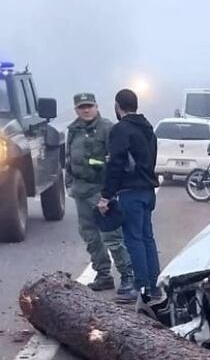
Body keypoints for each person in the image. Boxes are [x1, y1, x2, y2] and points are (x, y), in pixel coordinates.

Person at [65, 93, 135, 293]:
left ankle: (127, 274)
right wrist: (68, 182)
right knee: (89, 235)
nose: (86, 110)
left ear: (96, 106)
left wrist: (110, 191)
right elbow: (68, 158)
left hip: (101, 190)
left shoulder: (107, 128)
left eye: (89, 106)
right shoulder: (73, 130)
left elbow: (118, 160)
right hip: (80, 190)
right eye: (81, 107)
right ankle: (103, 274)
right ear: (76, 110)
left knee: (112, 235)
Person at [99, 89, 161, 308]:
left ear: (118, 106)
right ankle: (154, 287)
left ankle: (140, 287)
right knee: (147, 238)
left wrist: (106, 195)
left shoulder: (121, 130)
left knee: (133, 240)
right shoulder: (148, 130)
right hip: (147, 190)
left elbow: (116, 163)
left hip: (131, 192)